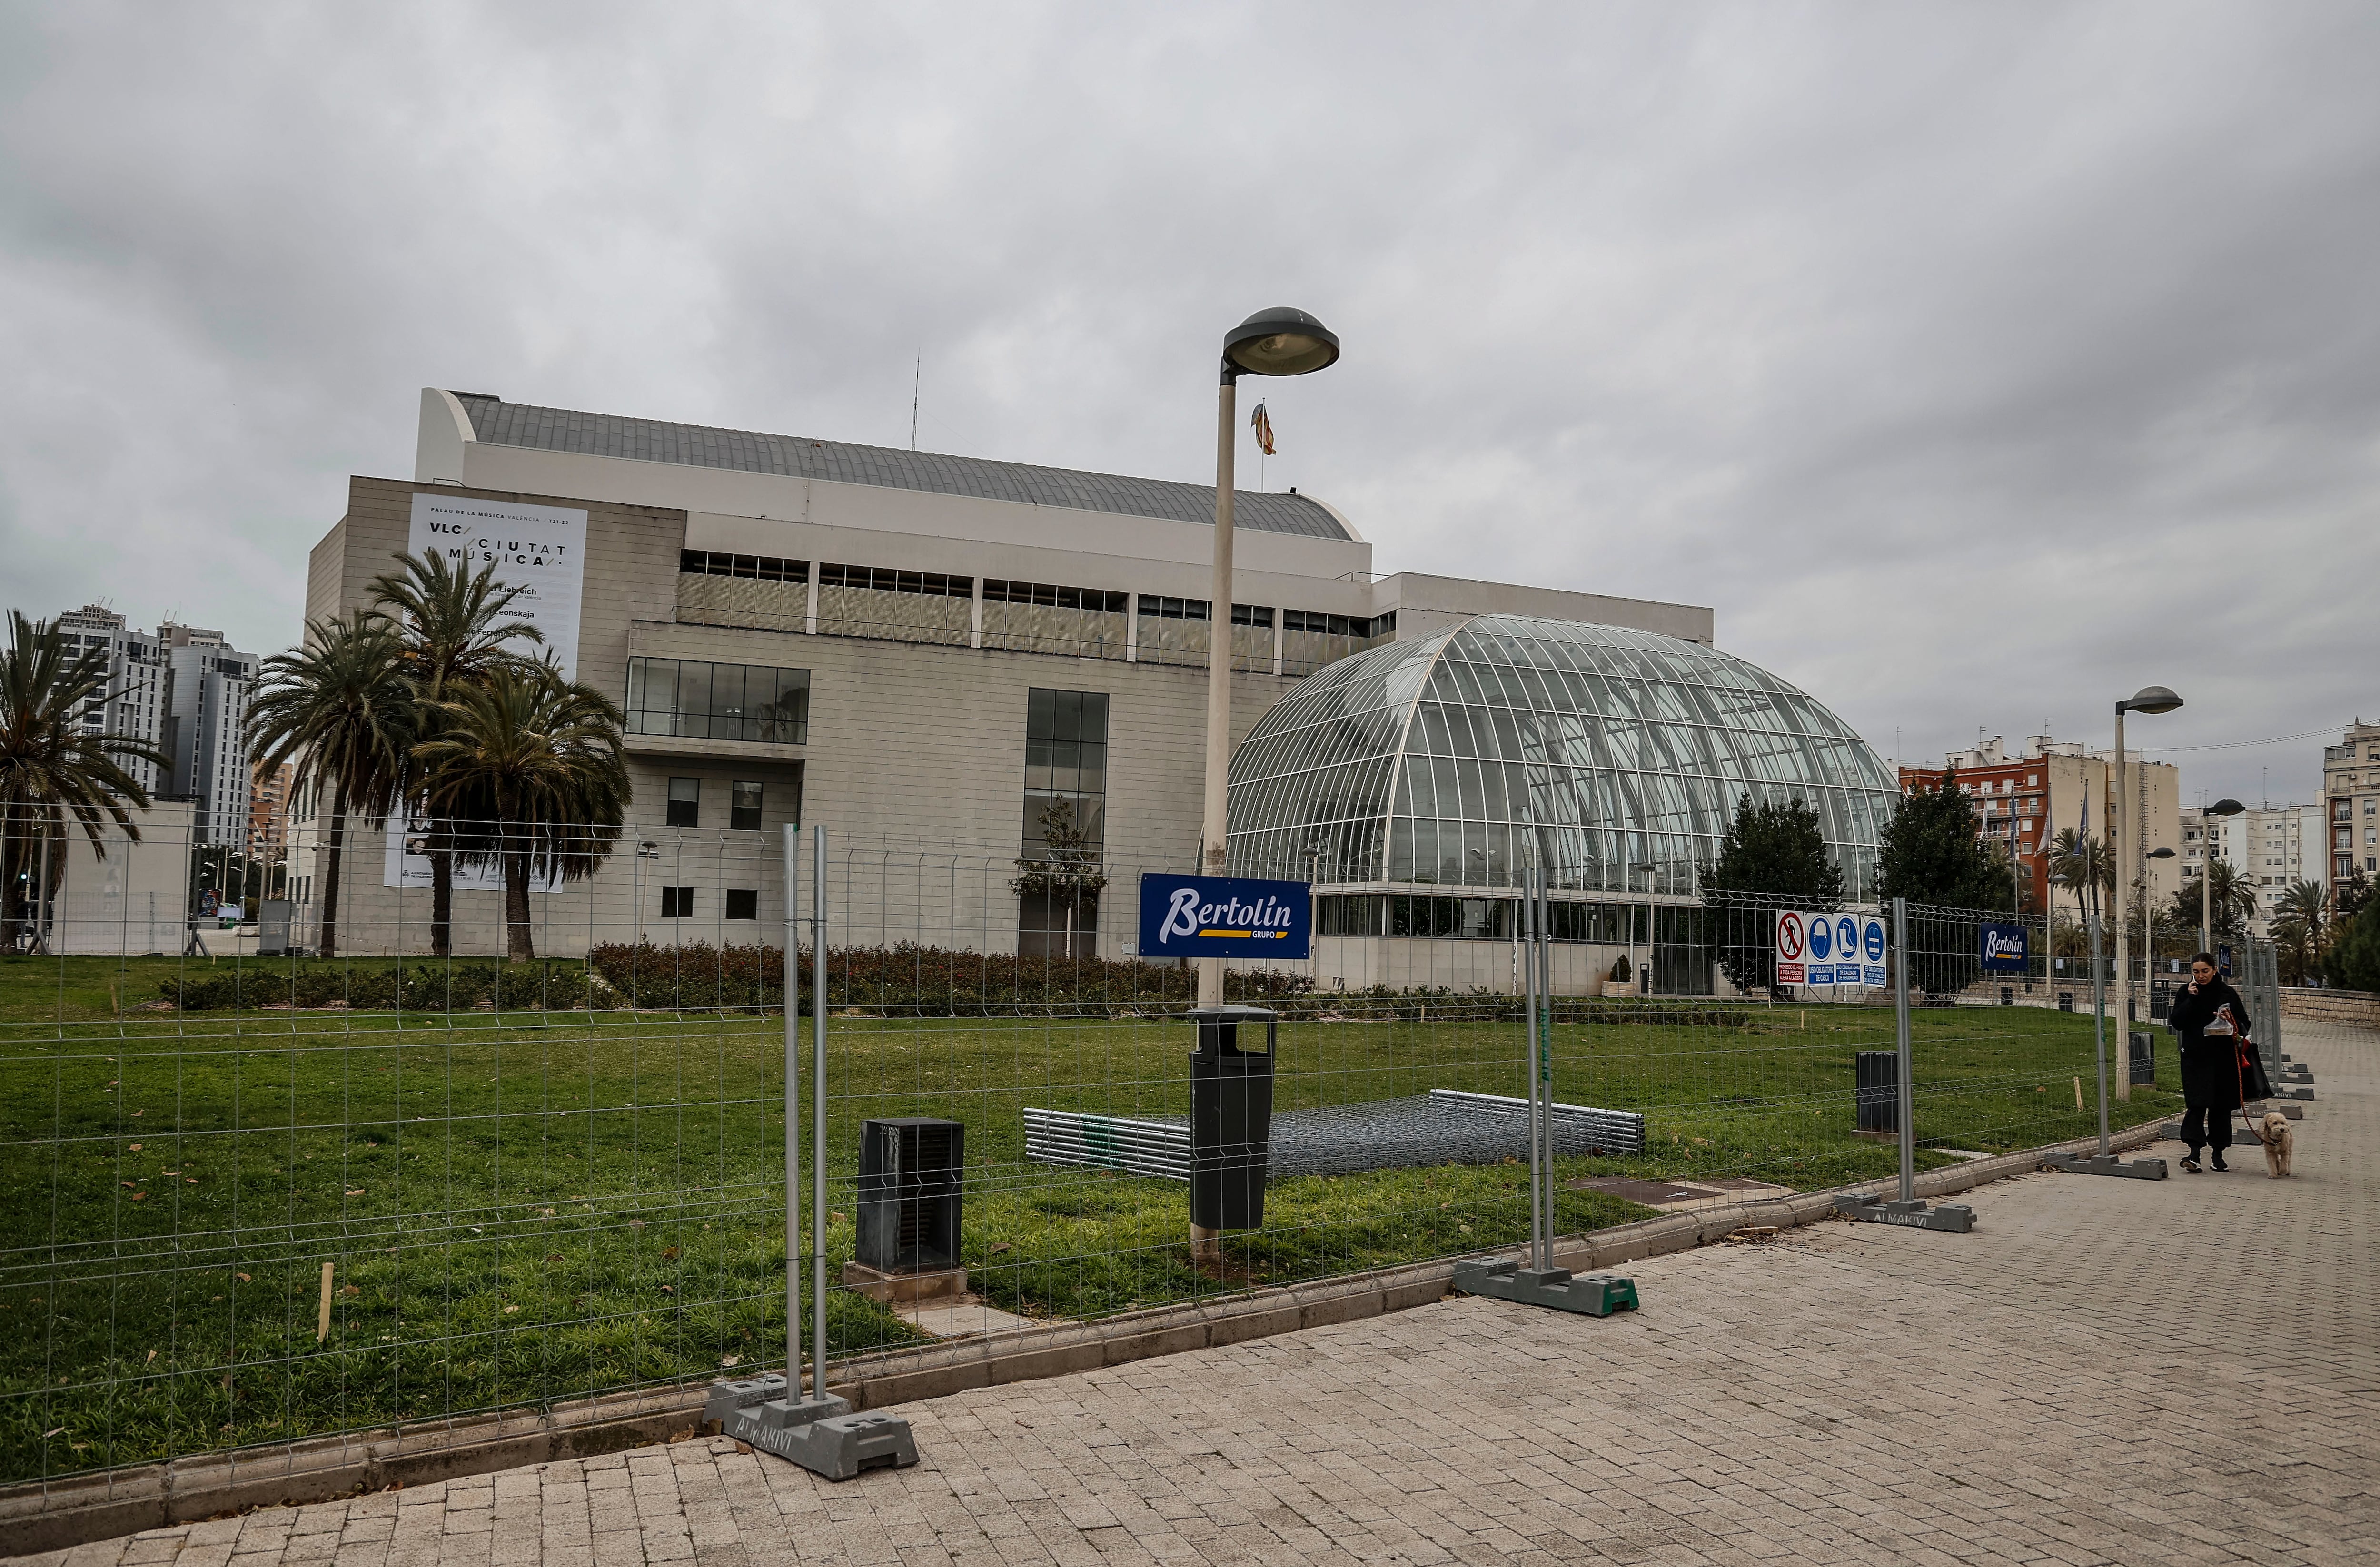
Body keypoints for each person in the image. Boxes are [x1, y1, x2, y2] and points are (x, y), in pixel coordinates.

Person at [2167, 951, 2251, 1173]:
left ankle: (2218, 1153)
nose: (2201, 976)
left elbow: (2245, 1024)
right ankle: (2194, 1154)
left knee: (2220, 1106)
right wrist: (2191, 1000)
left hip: (2223, 1059)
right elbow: (2176, 1022)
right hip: (2195, 1057)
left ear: (2215, 970)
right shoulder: (2187, 992)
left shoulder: (2227, 993)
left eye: (2205, 971)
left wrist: (2230, 1020)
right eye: (2196, 972)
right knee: (2197, 1104)